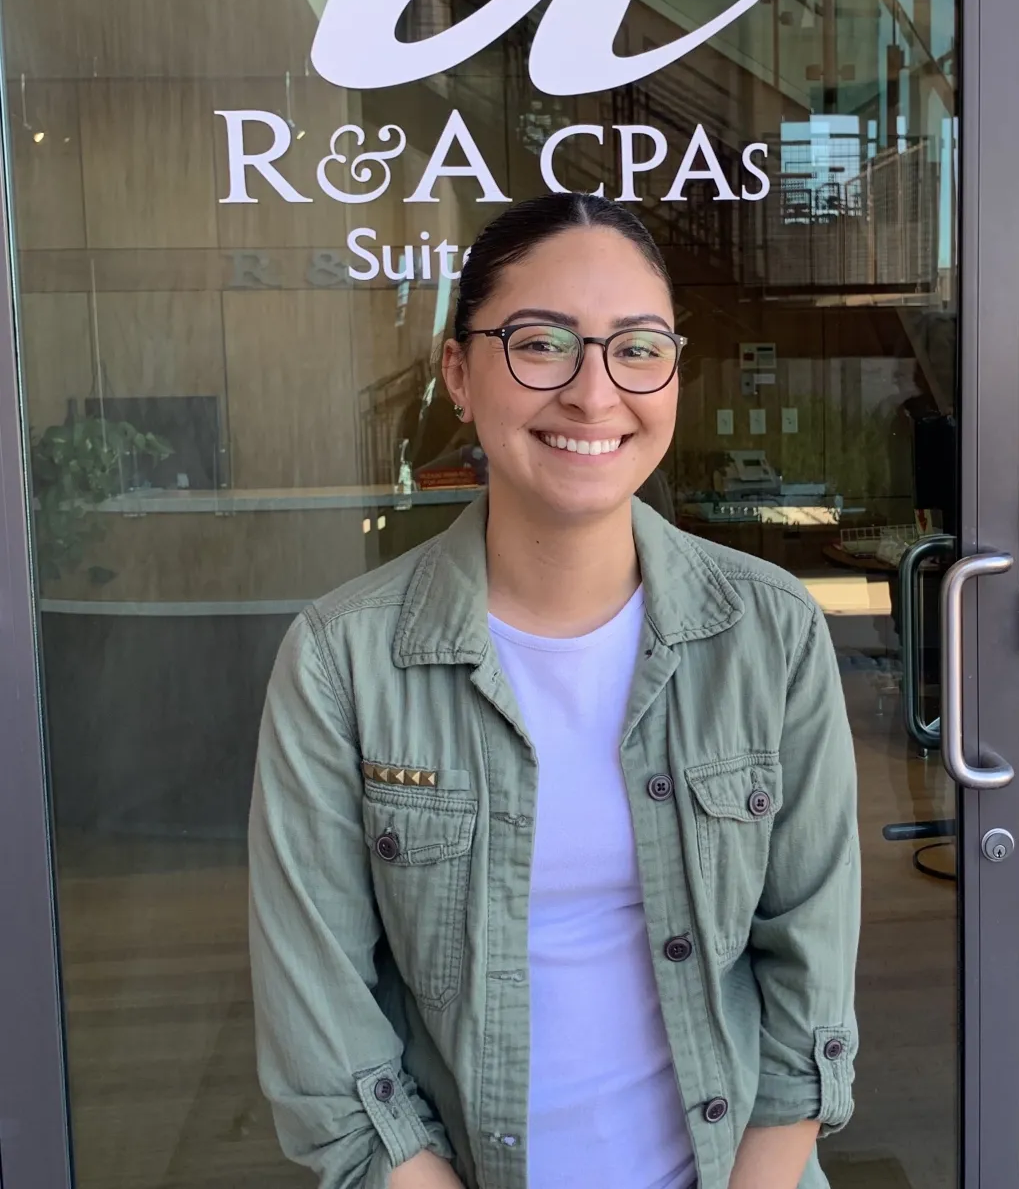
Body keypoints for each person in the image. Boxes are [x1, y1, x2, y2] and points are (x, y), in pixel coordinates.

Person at [248, 192, 860, 1189]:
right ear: (459, 372)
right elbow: (323, 1029)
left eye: (637, 347)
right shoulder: (340, 660)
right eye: (542, 343)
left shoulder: (771, 630)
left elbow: (810, 987)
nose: (593, 391)